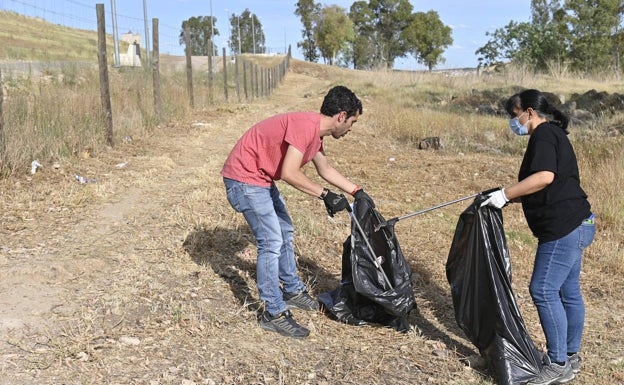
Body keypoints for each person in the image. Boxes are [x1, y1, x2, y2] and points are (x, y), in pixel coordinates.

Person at [221, 85, 374, 339]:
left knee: (284, 230)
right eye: (352, 122)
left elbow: (325, 170)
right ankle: (274, 313)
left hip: (259, 179)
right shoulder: (306, 127)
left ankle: (292, 291)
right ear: (341, 116)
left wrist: (357, 191)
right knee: (270, 241)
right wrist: (324, 195)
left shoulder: (315, 133)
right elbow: (289, 173)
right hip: (244, 180)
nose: (351, 128)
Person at [481, 89, 595, 385]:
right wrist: (504, 197)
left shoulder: (543, 135)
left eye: (514, 115)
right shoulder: (556, 135)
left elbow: (544, 177)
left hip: (563, 228)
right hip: (580, 222)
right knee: (567, 292)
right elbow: (544, 186)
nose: (513, 121)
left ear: (529, 112)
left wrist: (506, 193)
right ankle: (571, 356)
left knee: (543, 290)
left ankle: (558, 363)